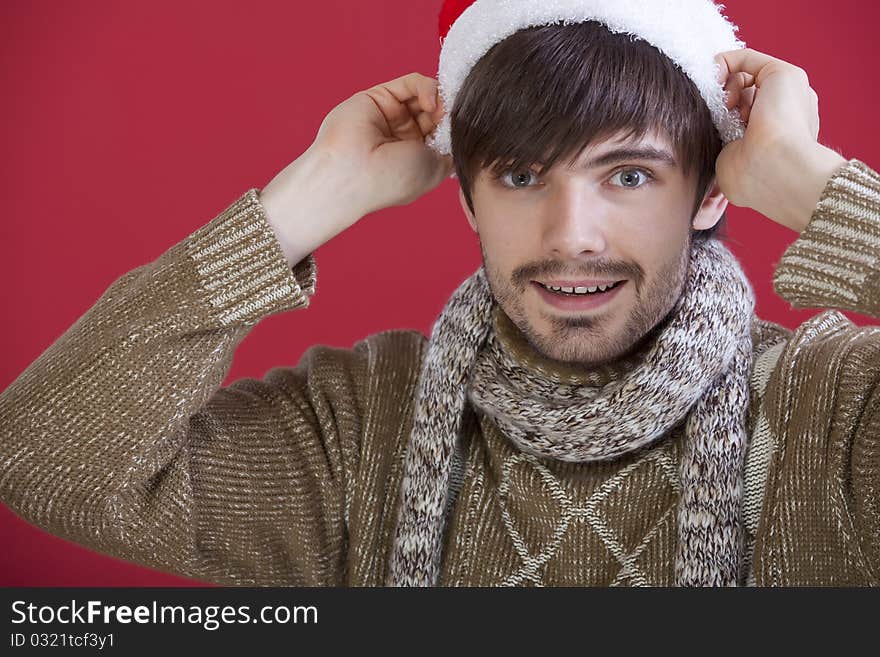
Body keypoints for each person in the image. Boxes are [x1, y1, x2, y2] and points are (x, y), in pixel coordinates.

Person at [0, 0, 877, 587]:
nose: (572, 234)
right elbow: (44, 460)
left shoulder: (835, 413)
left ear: (712, 191)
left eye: (631, 175)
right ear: (466, 194)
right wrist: (299, 206)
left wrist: (820, 187)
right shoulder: (361, 426)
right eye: (523, 174)